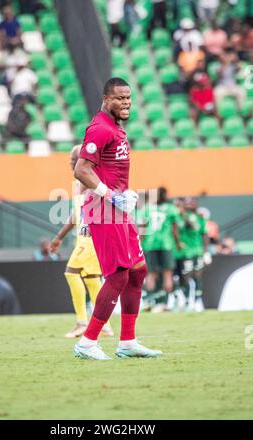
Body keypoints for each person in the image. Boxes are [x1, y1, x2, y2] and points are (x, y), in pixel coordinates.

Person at [73, 77, 162, 360]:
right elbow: (81, 170)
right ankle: (87, 342)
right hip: (104, 211)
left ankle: (128, 341)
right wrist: (111, 195)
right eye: (119, 98)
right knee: (119, 274)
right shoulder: (100, 128)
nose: (125, 103)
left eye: (128, 98)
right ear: (105, 99)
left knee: (137, 271)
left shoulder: (115, 129)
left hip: (118, 210)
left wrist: (123, 194)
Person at [50, 145, 114, 338]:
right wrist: (59, 237)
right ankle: (105, 325)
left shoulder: (91, 178)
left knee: (71, 273)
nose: (70, 161)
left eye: (73, 158)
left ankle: (82, 322)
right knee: (92, 280)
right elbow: (75, 215)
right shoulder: (79, 182)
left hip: (91, 239)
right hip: (84, 238)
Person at [140, 187, 181, 312]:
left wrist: (140, 243)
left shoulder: (147, 208)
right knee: (167, 275)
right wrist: (178, 244)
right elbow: (175, 230)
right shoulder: (171, 209)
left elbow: (142, 227)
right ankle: (165, 303)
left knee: (151, 274)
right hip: (166, 244)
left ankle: (148, 302)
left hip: (150, 244)